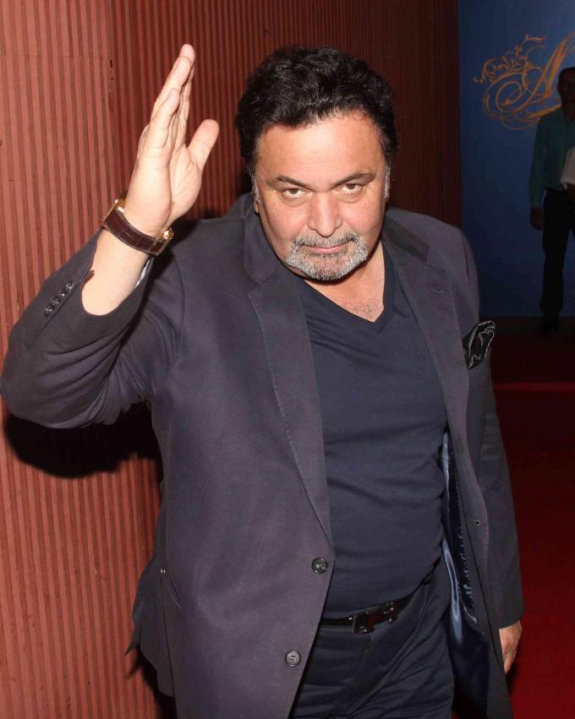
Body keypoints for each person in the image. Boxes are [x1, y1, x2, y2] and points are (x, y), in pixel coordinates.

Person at [1, 45, 522, 719]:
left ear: (389, 176)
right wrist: (137, 227)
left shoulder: (441, 256)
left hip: (415, 645)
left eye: (352, 187)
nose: (325, 225)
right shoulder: (191, 280)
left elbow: (477, 443)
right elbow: (42, 392)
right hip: (257, 664)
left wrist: (498, 598)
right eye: (292, 191)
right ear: (253, 184)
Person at [529, 66, 575, 335]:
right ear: (558, 88)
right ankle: (550, 315)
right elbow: (538, 165)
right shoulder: (548, 123)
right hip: (556, 200)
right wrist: (536, 204)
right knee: (553, 259)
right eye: (565, 84)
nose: (570, 89)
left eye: (574, 84)